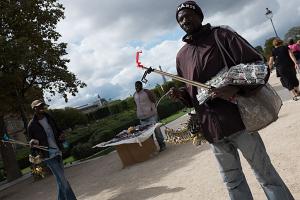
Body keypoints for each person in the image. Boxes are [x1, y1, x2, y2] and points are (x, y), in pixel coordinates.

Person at [170, 1, 294, 199]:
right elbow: (193, 96)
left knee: (265, 174)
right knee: (232, 182)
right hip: (212, 130)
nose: (184, 21)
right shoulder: (181, 56)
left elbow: (258, 66)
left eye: (187, 15)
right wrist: (182, 96)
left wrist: (235, 88)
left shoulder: (222, 35)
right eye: (180, 19)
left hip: (239, 120)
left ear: (199, 15)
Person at [28, 100, 77, 200]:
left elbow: (58, 130)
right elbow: (31, 144)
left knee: (60, 181)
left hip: (57, 152)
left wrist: (61, 135)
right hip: (47, 155)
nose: (41, 107)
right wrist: (33, 143)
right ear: (34, 109)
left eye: (42, 105)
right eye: (38, 106)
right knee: (63, 180)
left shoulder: (49, 118)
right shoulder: (31, 125)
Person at [133, 81, 166, 151]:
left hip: (152, 116)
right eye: (136, 86)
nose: (136, 87)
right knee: (148, 135)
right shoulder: (134, 95)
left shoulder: (147, 92)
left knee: (157, 131)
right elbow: (136, 105)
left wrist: (153, 109)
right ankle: (152, 148)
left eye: (138, 86)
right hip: (142, 118)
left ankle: (162, 145)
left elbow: (154, 100)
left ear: (141, 86)